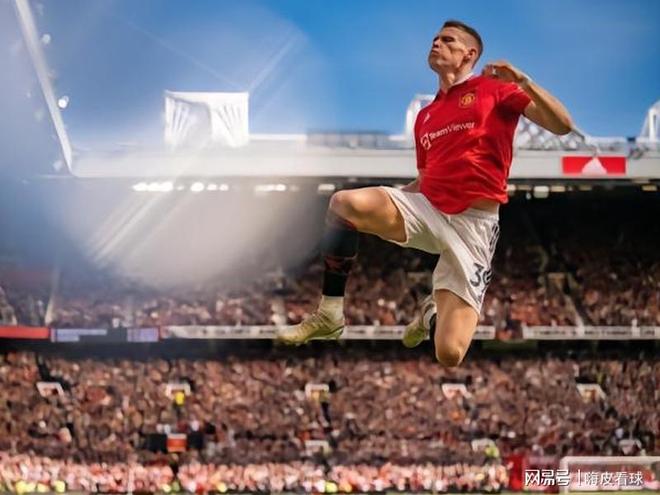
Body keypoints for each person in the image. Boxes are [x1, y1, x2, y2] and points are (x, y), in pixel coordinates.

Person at [277, 20, 573, 367]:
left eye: (447, 40)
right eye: (435, 38)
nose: (436, 43)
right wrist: (394, 198)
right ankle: (329, 313)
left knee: (450, 353)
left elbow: (562, 125)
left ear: (469, 54)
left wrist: (523, 81)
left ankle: (430, 313)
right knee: (344, 203)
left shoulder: (494, 89)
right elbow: (425, 178)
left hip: (474, 226)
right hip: (428, 210)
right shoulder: (426, 116)